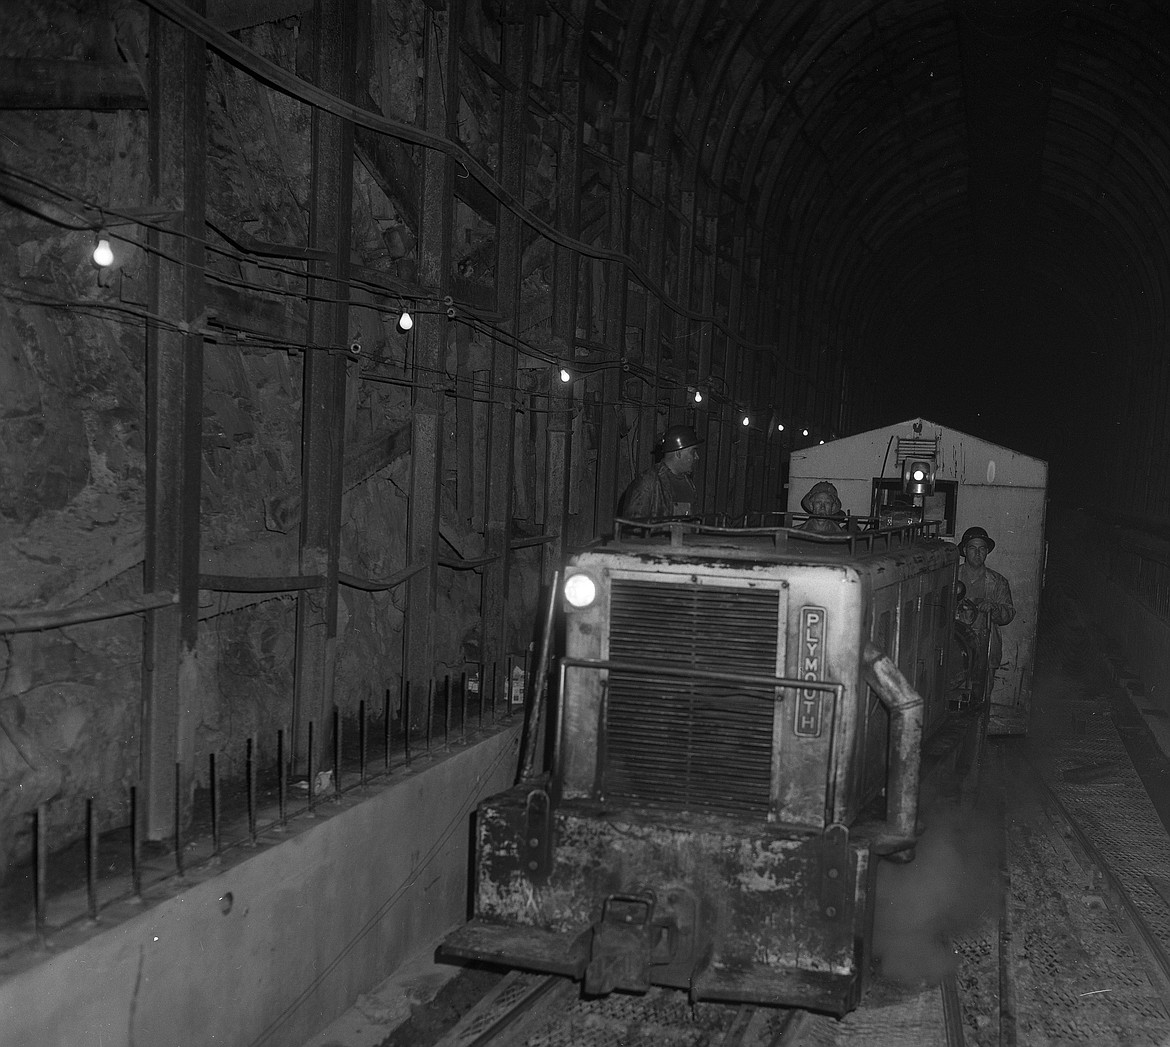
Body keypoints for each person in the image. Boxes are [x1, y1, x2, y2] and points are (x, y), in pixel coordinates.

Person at [956, 525, 1015, 689]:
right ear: (965, 551)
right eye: (972, 548)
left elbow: (1009, 612)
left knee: (982, 696)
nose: (977, 553)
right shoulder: (951, 577)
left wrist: (994, 608)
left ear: (987, 551)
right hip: (956, 646)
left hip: (986, 646)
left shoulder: (998, 582)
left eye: (982, 549)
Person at [619, 424, 701, 519]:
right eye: (693, 452)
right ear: (678, 453)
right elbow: (632, 528)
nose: (696, 457)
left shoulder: (688, 484)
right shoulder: (648, 483)